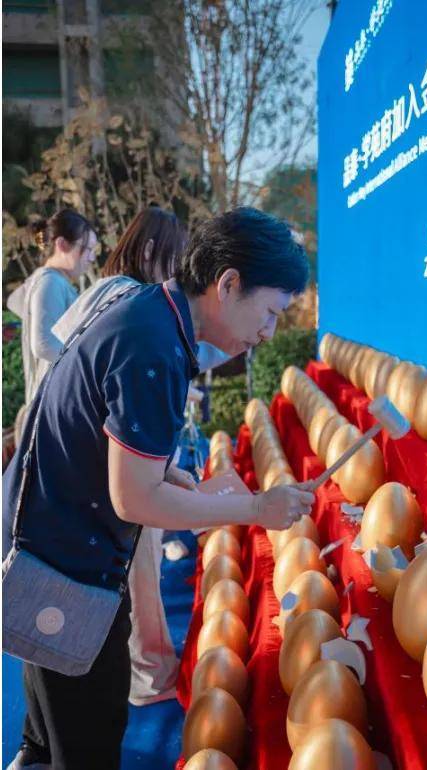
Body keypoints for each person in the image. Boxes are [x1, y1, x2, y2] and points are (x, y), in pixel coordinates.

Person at [3, 206, 314, 770]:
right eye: (270, 312)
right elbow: (135, 500)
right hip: (67, 563)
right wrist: (254, 508)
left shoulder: (150, 314)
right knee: (89, 732)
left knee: (52, 718)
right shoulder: (154, 345)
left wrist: (162, 471)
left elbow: (101, 428)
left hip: (54, 545)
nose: (268, 332)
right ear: (228, 284)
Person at [52, 206, 227, 707]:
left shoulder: (106, 293)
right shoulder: (137, 307)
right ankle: (151, 676)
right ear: (151, 251)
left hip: (87, 472)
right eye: (175, 261)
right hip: (101, 478)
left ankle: (144, 672)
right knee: (135, 574)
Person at [7, 210, 97, 442]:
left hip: (49, 405)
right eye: (87, 249)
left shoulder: (45, 280)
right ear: (62, 245)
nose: (91, 258)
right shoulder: (50, 282)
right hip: (51, 407)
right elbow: (44, 344)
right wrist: (91, 365)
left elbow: (14, 301)